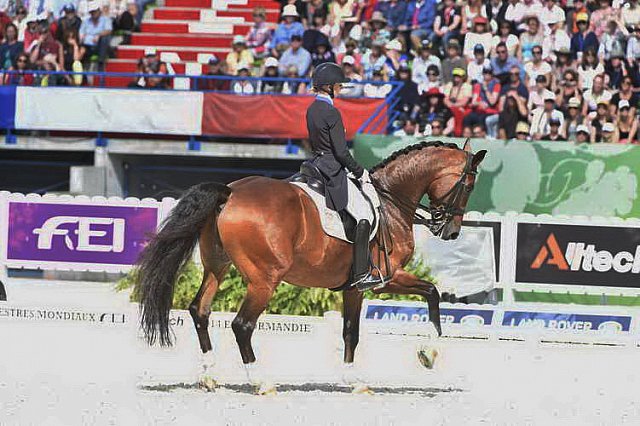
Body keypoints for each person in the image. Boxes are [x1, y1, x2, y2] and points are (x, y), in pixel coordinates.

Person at [305, 62, 377, 291]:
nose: (339, 89)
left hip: (315, 162)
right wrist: (360, 171)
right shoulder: (331, 111)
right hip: (332, 167)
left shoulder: (312, 109)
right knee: (363, 215)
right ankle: (360, 274)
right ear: (328, 87)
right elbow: (341, 152)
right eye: (338, 86)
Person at [79, 1, 112, 71]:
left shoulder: (105, 19)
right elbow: (81, 32)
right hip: (87, 44)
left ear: (98, 11)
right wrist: (81, 39)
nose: (93, 13)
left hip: (99, 45)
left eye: (94, 11)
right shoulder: (86, 21)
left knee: (105, 38)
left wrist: (98, 35)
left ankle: (101, 62)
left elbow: (109, 30)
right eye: (92, 12)